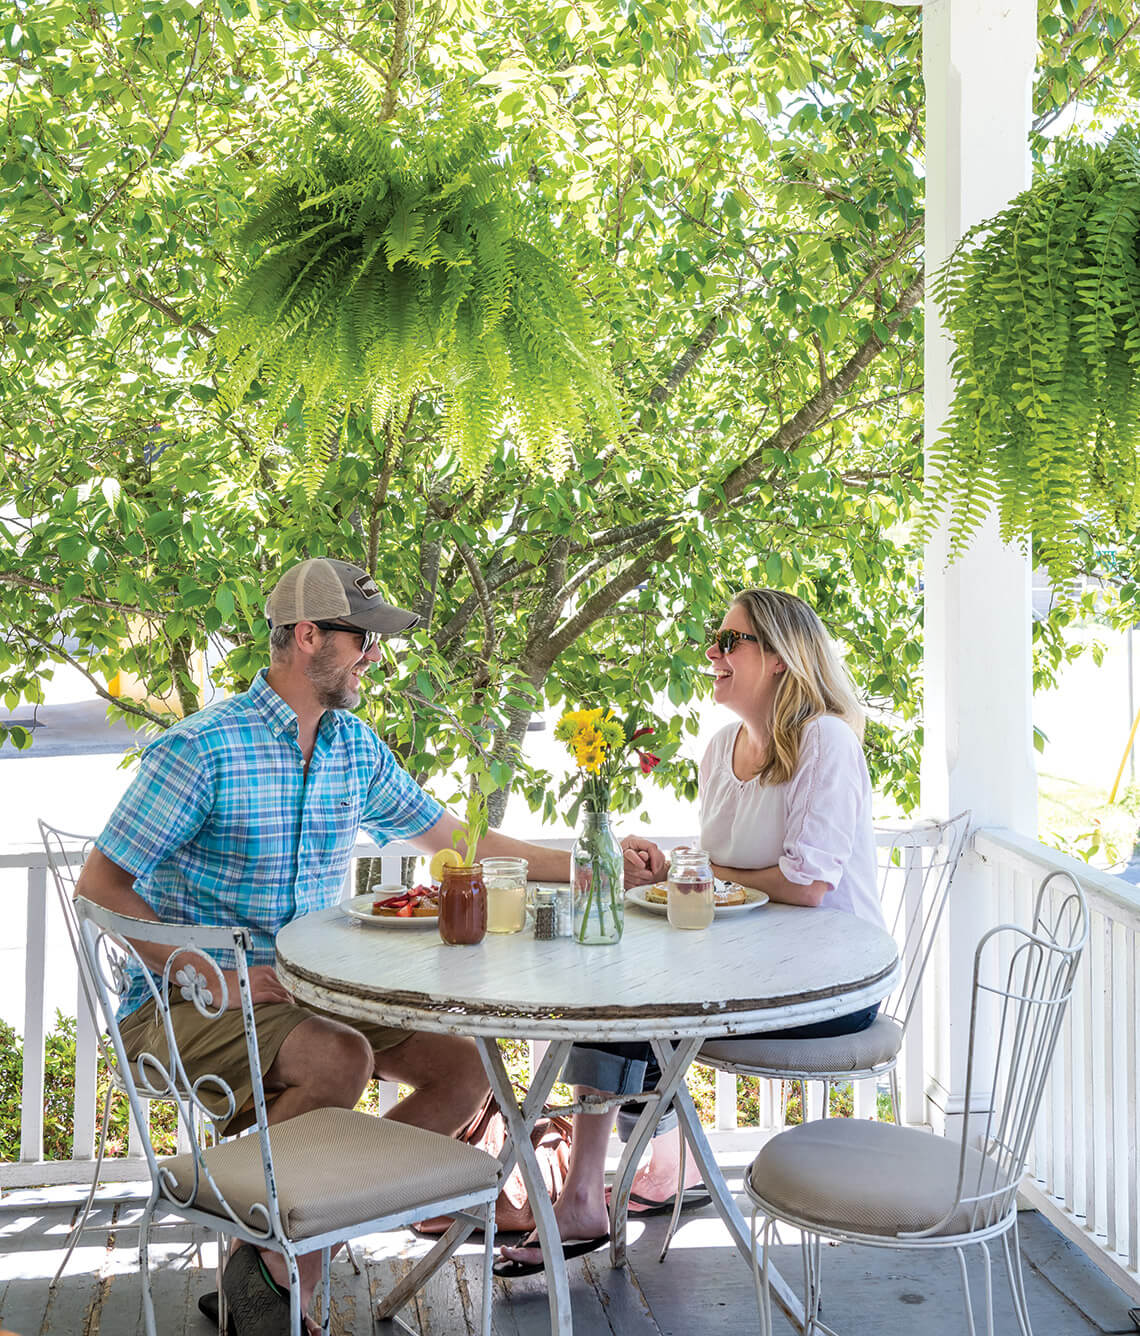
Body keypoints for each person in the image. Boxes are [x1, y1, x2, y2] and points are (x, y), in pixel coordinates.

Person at [75, 557, 659, 1335]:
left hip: (308, 993)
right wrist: (217, 974)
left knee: (465, 1068)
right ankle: (283, 1285)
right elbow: (99, 887)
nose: (376, 657)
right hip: (184, 1005)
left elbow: (457, 840)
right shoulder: (202, 750)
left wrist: (593, 865)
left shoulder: (352, 745)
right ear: (308, 636)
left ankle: (269, 1257)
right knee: (338, 1057)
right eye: (363, 640)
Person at [498, 586, 884, 1274]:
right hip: (745, 971)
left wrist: (694, 869)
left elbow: (806, 884)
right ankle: (627, 1179)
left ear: (780, 658)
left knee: (628, 1010)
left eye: (730, 641)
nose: (712, 652)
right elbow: (722, 885)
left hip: (825, 989)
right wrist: (671, 871)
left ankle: (626, 1178)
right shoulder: (720, 749)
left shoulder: (824, 740)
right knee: (605, 985)